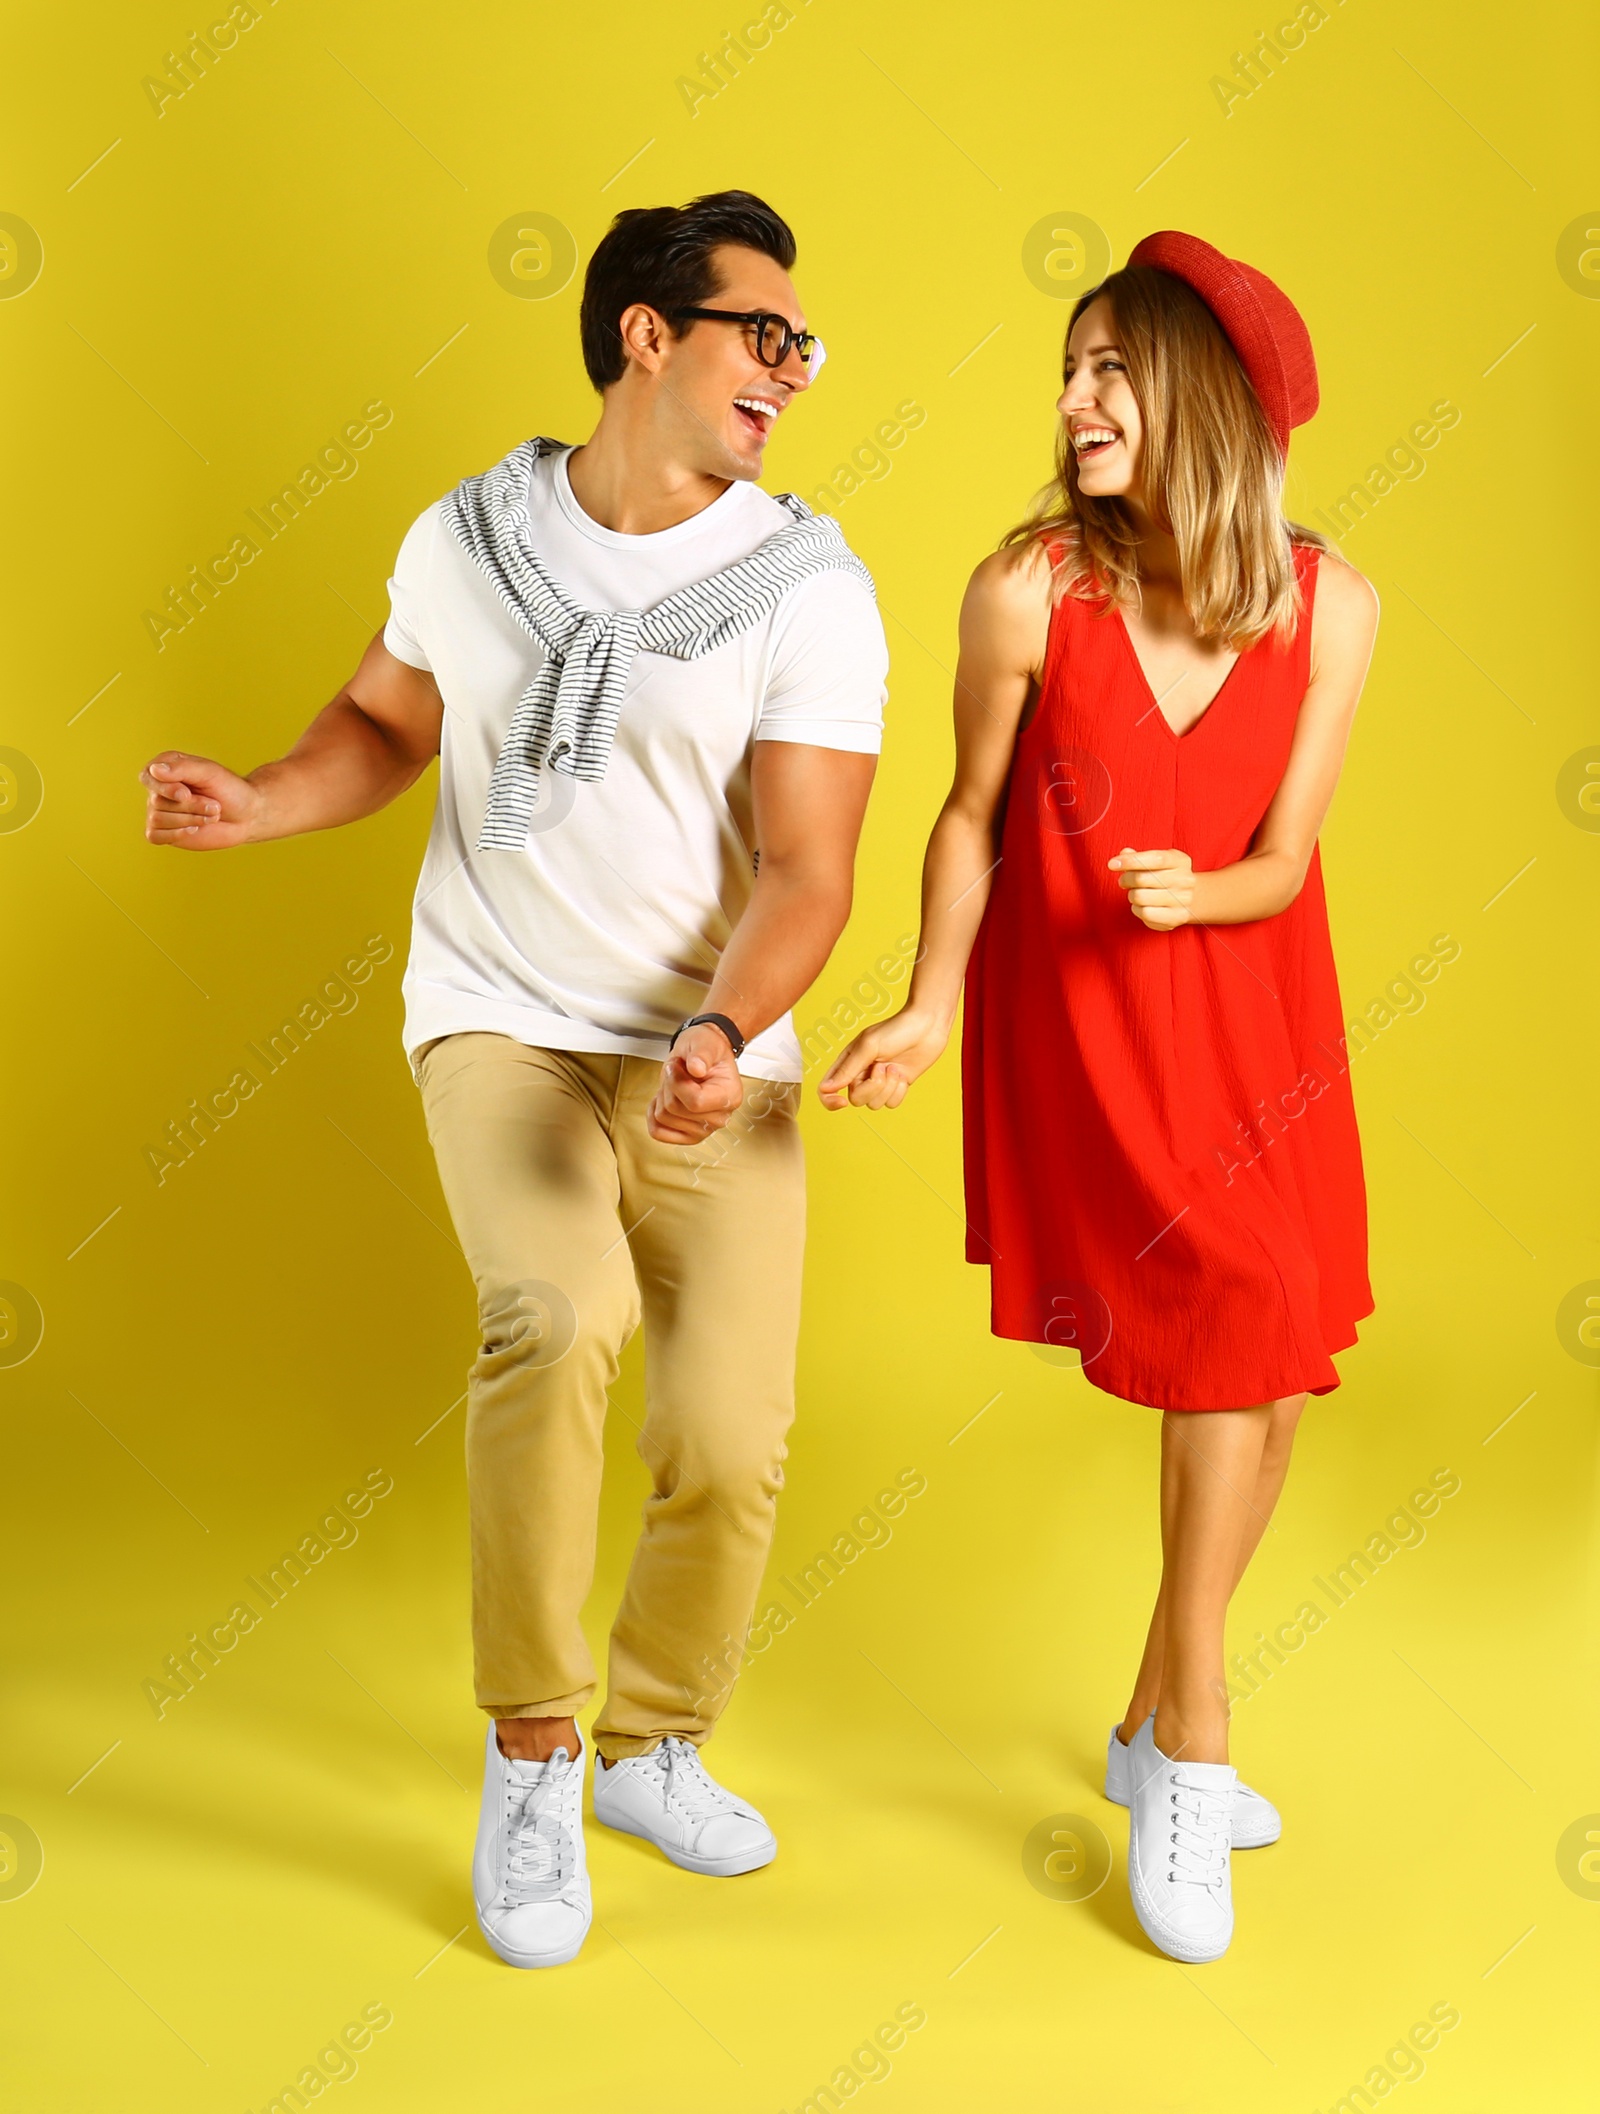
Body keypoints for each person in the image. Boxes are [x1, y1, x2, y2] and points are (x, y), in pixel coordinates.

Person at [139, 190, 888, 1969]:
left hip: (716, 1047)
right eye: (762, 333)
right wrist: (261, 797)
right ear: (649, 333)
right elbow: (388, 728)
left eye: (806, 344)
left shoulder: (809, 589)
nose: (793, 367)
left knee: (731, 1435)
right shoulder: (471, 537)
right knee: (556, 1314)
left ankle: (654, 1741)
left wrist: (719, 1034)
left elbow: (810, 871)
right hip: (507, 1017)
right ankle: (538, 1745)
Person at [819, 230, 1377, 1963]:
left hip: (1262, 1021)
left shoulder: (1332, 602)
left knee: (1277, 1368)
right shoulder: (1024, 592)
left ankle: (1142, 1728)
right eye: (1068, 372)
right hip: (1094, 1028)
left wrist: (1202, 894)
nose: (1071, 403)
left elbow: (1287, 853)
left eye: (1109, 371)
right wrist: (922, 999)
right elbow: (971, 811)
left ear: (1204, 395)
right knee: (1229, 1329)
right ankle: (1198, 1739)